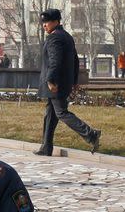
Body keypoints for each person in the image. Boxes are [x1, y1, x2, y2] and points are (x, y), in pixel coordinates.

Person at [35, 9, 101, 156]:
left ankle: (91, 134)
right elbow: (75, 61)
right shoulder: (66, 36)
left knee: (61, 113)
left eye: (47, 22)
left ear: (56, 21)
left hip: (56, 84)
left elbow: (55, 61)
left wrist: (51, 80)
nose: (44, 25)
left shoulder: (54, 38)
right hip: (64, 82)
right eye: (43, 23)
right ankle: (46, 147)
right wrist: (75, 80)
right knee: (50, 115)